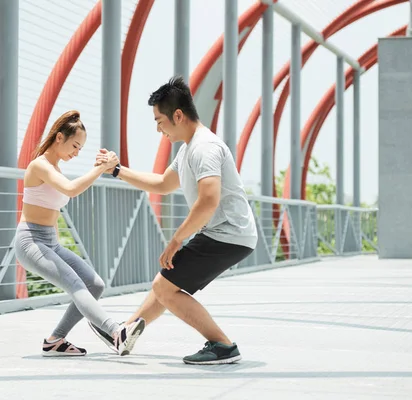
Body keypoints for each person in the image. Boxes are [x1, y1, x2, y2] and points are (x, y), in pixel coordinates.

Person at [88, 77, 258, 365]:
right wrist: (116, 170)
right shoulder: (188, 148)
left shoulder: (205, 147)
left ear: (177, 115)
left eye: (159, 120)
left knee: (165, 286)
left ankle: (223, 345)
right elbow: (162, 184)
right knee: (165, 284)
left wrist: (176, 240)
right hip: (223, 233)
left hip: (228, 234)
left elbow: (208, 200)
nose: (158, 129)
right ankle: (125, 333)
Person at [15, 110, 145, 357]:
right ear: (59, 138)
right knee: (75, 283)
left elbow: (64, 195)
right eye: (75, 146)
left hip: (49, 242)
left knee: (94, 284)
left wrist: (102, 167)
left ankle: (55, 340)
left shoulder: (55, 167)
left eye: (80, 149)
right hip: (30, 240)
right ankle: (117, 333)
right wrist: (101, 168)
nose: (76, 152)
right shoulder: (39, 165)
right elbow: (72, 190)